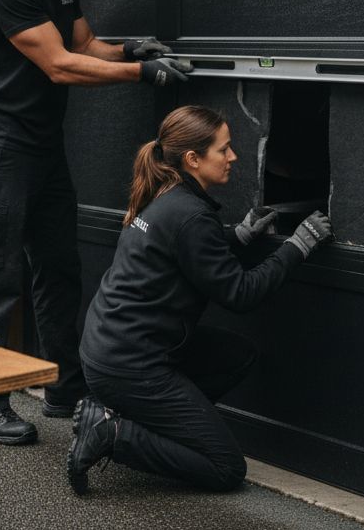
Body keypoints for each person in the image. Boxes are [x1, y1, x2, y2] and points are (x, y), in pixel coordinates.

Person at [0, 0, 194, 445]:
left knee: (59, 269)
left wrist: (131, 48)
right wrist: (141, 74)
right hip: (0, 150)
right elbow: (60, 65)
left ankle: (65, 388)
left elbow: (86, 46)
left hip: (42, 148)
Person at [67, 105, 332, 493]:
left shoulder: (168, 195)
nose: (233, 157)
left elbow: (187, 250)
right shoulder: (190, 213)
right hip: (131, 364)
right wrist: (298, 246)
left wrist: (238, 236)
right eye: (223, 149)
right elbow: (241, 294)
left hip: (112, 349)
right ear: (193, 159)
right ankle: (114, 433)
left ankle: (145, 423)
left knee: (237, 354)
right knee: (226, 468)